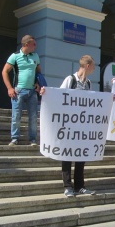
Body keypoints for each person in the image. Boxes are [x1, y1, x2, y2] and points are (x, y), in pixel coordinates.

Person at [41, 55, 96, 197]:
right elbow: (58, 95)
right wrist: (45, 93)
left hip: (81, 125)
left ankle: (80, 186)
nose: (94, 68)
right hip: (68, 125)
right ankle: (67, 186)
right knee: (66, 155)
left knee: (80, 155)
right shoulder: (70, 80)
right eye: (93, 65)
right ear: (88, 65)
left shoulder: (88, 83)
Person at [1, 35, 41, 146]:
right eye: (34, 44)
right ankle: (14, 138)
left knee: (33, 116)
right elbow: (4, 72)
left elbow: (38, 72)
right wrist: (9, 88)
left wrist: (38, 83)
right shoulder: (15, 56)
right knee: (16, 115)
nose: (35, 46)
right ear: (26, 44)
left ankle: (32, 139)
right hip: (18, 90)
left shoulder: (36, 56)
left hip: (32, 91)